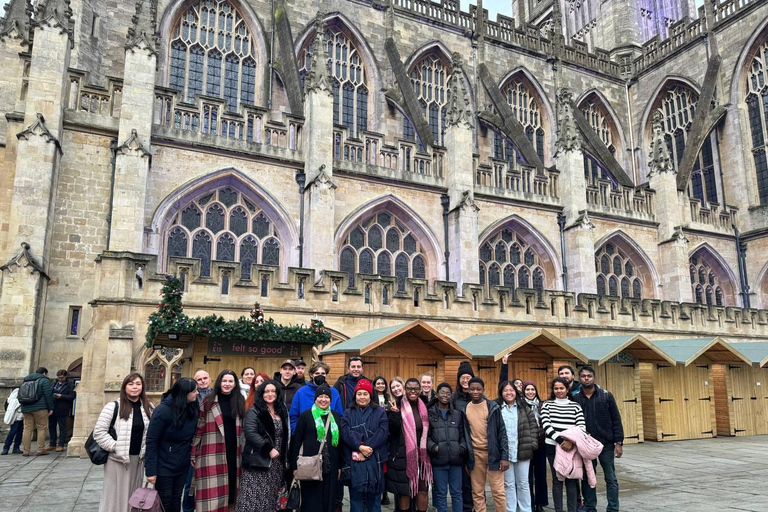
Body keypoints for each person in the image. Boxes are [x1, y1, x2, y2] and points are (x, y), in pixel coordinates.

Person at [94, 373, 153, 512]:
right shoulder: (113, 406)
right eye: (131, 384)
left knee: (134, 497)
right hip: (117, 460)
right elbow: (99, 432)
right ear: (124, 387)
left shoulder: (148, 407)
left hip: (138, 461)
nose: (135, 387)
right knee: (113, 498)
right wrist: (116, 447)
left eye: (138, 384)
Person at [192, 369, 245, 512]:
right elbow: (200, 426)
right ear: (219, 382)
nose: (227, 384)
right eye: (224, 380)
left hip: (234, 451)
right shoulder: (208, 400)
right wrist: (193, 450)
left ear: (235, 384)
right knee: (213, 492)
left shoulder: (240, 400)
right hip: (212, 450)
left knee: (232, 489)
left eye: (230, 381)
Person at [145, 378, 200, 512]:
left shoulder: (192, 407)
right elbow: (152, 441)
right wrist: (151, 471)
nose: (197, 393)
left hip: (182, 463)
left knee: (177, 498)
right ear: (184, 393)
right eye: (194, 391)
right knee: (165, 500)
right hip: (164, 463)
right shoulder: (162, 411)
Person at [573, 366, 623, 512]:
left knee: (611, 478)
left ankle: (613, 508)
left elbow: (616, 419)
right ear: (580, 378)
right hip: (586, 445)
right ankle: (590, 507)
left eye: (589, 376)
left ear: (594, 378)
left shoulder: (606, 396)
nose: (586, 378)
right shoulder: (576, 398)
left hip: (606, 444)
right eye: (583, 376)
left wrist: (619, 442)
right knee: (588, 477)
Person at [289, 383, 343, 512]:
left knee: (328, 499)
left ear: (331, 399)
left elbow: (339, 443)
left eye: (326, 397)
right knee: (311, 500)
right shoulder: (306, 416)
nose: (323, 399)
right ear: (315, 399)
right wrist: (294, 466)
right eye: (320, 396)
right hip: (310, 465)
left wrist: (340, 465)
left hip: (331, 465)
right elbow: (297, 441)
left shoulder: (335, 416)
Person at [238, 380, 290, 512]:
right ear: (261, 394)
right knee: (254, 498)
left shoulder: (281, 410)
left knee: (271, 498)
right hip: (259, 461)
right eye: (267, 391)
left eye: (273, 391)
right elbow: (250, 433)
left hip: (277, 463)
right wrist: (269, 449)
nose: (270, 394)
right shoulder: (254, 411)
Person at [340, 379, 388, 512]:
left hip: (375, 459)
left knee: (374, 500)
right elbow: (345, 431)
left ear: (370, 396)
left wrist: (366, 448)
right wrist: (360, 447)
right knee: (356, 499)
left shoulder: (380, 412)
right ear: (355, 396)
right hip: (356, 461)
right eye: (359, 394)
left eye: (365, 394)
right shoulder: (348, 413)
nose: (362, 397)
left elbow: (383, 432)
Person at [461, 377, 508, 512]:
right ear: (468, 390)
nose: (475, 391)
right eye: (472, 389)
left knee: (498, 491)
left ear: (483, 390)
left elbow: (502, 432)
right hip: (475, 455)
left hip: (494, 454)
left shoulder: (492, 407)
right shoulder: (465, 409)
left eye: (478, 389)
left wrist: (504, 456)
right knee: (477, 492)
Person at [387, 378, 432, 512]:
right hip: (404, 455)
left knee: (423, 490)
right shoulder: (397, 405)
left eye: (416, 389)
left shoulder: (425, 405)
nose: (413, 391)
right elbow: (393, 433)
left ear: (420, 390)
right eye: (409, 388)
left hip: (423, 456)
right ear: (405, 390)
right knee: (405, 492)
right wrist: (394, 415)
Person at [541, 377, 586, 512]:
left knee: (571, 480)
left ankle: (572, 509)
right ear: (553, 390)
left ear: (567, 389)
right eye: (556, 388)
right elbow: (546, 425)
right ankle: (558, 510)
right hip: (552, 446)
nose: (559, 391)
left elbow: (581, 427)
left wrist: (571, 442)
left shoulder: (575, 406)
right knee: (557, 480)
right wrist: (561, 441)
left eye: (562, 388)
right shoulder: (547, 405)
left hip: (571, 448)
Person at [497, 381, 538, 512]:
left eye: (511, 390)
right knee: (508, 484)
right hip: (506, 453)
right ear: (501, 393)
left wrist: (532, 445)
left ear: (516, 392)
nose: (509, 393)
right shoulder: (497, 408)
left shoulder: (524, 407)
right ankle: (510, 509)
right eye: (505, 390)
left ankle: (526, 509)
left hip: (523, 451)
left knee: (523, 484)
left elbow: (533, 427)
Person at [427, 383, 466, 512]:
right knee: (440, 494)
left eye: (448, 393)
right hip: (438, 461)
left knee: (457, 493)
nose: (445, 395)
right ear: (437, 395)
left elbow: (463, 436)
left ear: (451, 396)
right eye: (442, 392)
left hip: (456, 461)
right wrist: (434, 448)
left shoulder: (457, 414)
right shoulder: (430, 414)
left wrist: (461, 448)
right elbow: (425, 437)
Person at [183, 370, 213, 512]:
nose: (203, 381)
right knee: (190, 483)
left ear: (210, 379)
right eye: (199, 379)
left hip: (212, 443)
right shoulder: (190, 396)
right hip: (194, 443)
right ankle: (188, 509)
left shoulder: (216, 394)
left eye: (205, 378)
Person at [290, 362, 342, 433]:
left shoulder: (334, 392)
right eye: (317, 373)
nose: (320, 376)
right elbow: (293, 416)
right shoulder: (301, 392)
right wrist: (297, 433)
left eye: (323, 373)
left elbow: (339, 416)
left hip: (329, 435)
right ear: (312, 375)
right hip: (306, 436)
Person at [452, 361, 475, 512]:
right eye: (463, 377)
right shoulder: (454, 398)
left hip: (475, 442)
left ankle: (477, 506)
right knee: (463, 480)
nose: (465, 380)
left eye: (468, 377)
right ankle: (466, 507)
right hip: (460, 443)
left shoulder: (478, 396)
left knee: (476, 480)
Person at [522, 381, 548, 512]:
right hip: (526, 446)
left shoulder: (542, 405)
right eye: (527, 390)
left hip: (541, 446)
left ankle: (540, 503)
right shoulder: (520, 406)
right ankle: (530, 502)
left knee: (541, 476)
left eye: (532, 389)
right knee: (527, 478)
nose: (530, 392)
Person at [19, 367, 54, 456]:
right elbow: (48, 395)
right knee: (41, 428)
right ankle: (41, 449)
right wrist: (51, 408)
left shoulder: (26, 380)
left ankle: (26, 451)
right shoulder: (44, 381)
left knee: (27, 429)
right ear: (44, 373)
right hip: (40, 408)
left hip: (26, 407)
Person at [49, 369, 75, 452]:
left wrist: (61, 396)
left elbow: (72, 397)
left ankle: (61, 444)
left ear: (66, 376)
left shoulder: (70, 385)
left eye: (62, 378)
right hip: (53, 408)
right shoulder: (53, 383)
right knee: (51, 426)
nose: (60, 379)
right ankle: (52, 443)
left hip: (63, 408)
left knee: (62, 427)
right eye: (59, 378)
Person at [2, 388, 24, 455]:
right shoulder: (15, 397)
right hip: (16, 417)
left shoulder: (11, 396)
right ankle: (7, 448)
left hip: (19, 416)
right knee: (14, 431)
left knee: (19, 432)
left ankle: (14, 448)